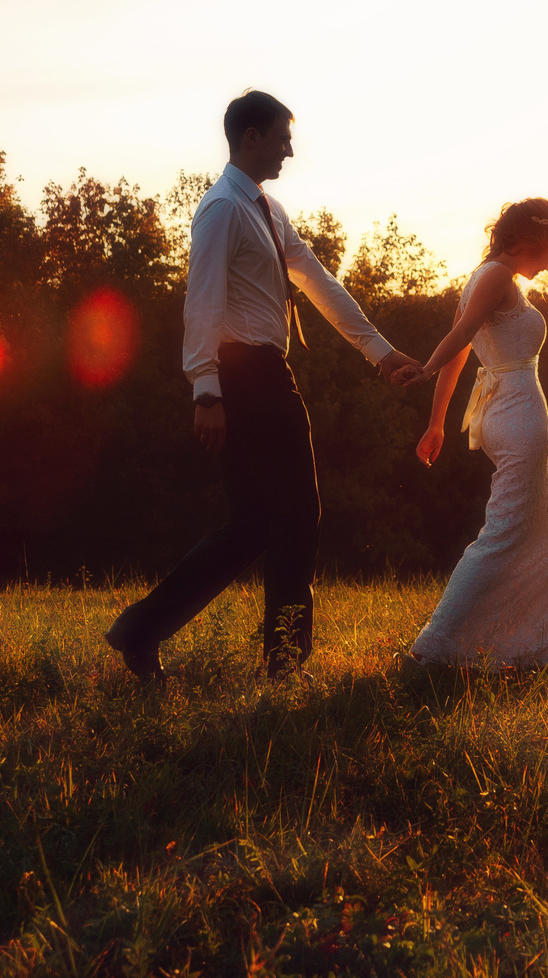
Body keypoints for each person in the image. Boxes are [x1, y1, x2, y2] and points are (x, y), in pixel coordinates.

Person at [106, 91, 422, 685]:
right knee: (298, 517)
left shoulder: (268, 211)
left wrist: (379, 352)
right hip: (243, 376)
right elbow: (201, 301)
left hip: (263, 374)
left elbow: (320, 282)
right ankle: (284, 664)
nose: (290, 150)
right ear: (251, 136)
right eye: (282, 138)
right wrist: (206, 390)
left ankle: (141, 631)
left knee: (253, 524)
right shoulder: (223, 208)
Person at [405, 199, 548, 671]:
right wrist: (424, 372)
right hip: (516, 415)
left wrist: (436, 422)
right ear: (528, 243)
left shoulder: (484, 274)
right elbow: (460, 338)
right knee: (502, 535)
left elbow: (461, 351)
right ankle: (434, 651)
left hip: (504, 411)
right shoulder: (496, 278)